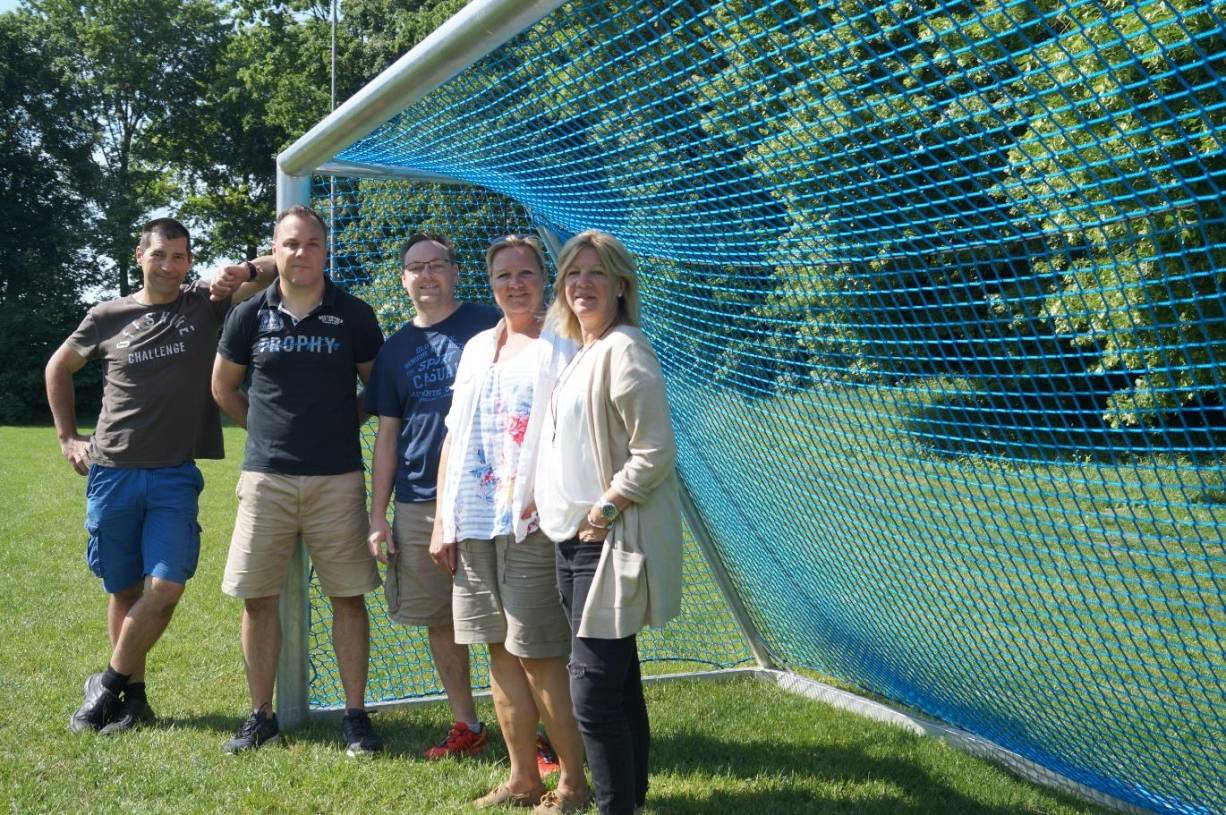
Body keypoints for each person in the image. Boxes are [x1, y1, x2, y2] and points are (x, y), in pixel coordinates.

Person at [45, 217, 275, 735]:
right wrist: (67, 437)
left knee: (167, 585)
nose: (170, 266)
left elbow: (280, 262)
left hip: (174, 474)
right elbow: (58, 367)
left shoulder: (204, 304)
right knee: (124, 588)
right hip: (111, 472)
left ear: (189, 261)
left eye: (179, 256)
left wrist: (241, 268)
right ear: (139, 256)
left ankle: (105, 684)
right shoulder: (107, 316)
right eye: (160, 255)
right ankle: (134, 699)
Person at [211, 205, 385, 756]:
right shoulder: (248, 315)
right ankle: (260, 714)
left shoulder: (354, 314)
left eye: (312, 243)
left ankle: (356, 715)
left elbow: (375, 390)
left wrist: (339, 425)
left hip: (336, 480)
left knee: (348, 599)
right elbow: (223, 389)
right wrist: (264, 433)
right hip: (266, 480)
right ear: (275, 249)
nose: (301, 253)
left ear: (325, 250)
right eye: (291, 243)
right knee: (258, 598)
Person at [428, 235, 589, 813]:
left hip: (533, 521)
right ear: (489, 283)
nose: (514, 284)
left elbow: (580, 431)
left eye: (525, 273)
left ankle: (573, 782)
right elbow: (454, 437)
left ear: (544, 278)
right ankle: (523, 778)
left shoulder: (565, 341)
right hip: (473, 520)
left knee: (540, 654)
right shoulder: (475, 348)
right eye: (503, 275)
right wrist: (444, 518)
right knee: (497, 651)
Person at [535, 230, 683, 815]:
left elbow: (655, 450)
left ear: (621, 285)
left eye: (596, 274)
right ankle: (632, 799)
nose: (582, 285)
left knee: (591, 690)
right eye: (573, 274)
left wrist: (606, 508)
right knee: (616, 683)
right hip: (571, 541)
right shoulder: (583, 351)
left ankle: (614, 806)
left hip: (608, 540)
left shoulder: (625, 348)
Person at [364, 233, 498, 759]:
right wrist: (379, 515)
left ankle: (529, 727)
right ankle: (466, 724)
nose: (426, 275)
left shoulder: (490, 324)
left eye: (436, 265)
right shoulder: (395, 350)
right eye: (415, 267)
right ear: (404, 278)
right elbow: (388, 437)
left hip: (487, 494)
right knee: (440, 620)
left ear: (455, 272)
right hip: (418, 502)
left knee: (499, 619)